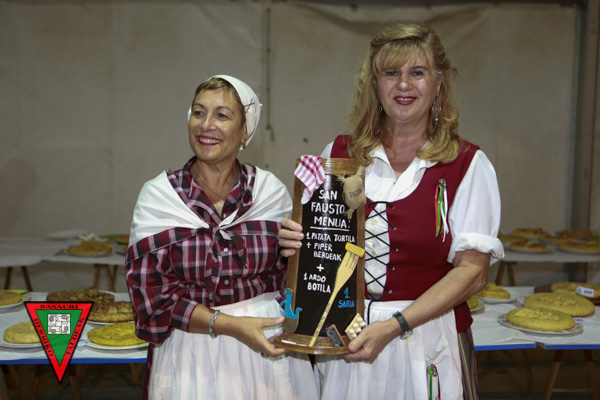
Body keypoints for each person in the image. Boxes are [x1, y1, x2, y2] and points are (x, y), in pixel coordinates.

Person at [279, 20, 504, 399]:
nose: (403, 84)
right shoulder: (338, 155)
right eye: (391, 73)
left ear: (438, 84)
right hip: (345, 337)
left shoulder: (467, 165)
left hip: (426, 340)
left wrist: (395, 324)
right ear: (374, 85)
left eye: (417, 73)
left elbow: (473, 273)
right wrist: (294, 242)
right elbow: (319, 251)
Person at [125, 75, 319, 400]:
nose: (206, 125)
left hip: (267, 345)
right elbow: (151, 297)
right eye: (198, 112)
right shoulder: (160, 197)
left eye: (222, 115)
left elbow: (293, 284)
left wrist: (297, 255)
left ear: (244, 131)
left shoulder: (269, 193)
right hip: (191, 352)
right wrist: (229, 324)